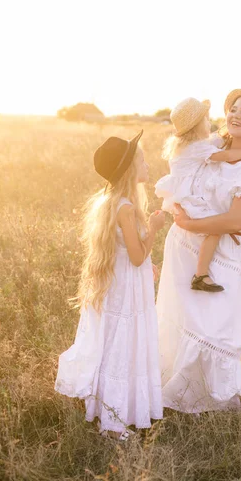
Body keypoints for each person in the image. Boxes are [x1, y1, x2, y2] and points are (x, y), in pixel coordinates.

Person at [156, 89, 241, 413]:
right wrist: (184, 224)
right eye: (233, 109)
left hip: (224, 254)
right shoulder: (211, 147)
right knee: (180, 318)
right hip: (183, 248)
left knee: (215, 327)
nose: (235, 115)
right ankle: (173, 389)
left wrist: (189, 224)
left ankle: (214, 398)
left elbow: (236, 219)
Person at [55, 131, 166, 440]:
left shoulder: (113, 201)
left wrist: (149, 267)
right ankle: (114, 424)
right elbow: (135, 256)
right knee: (123, 344)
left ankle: (113, 407)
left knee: (115, 341)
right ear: (131, 169)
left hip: (120, 284)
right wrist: (155, 229)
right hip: (126, 291)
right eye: (142, 159)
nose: (147, 163)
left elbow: (125, 254)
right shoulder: (127, 208)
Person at [155, 97, 241, 292]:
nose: (211, 124)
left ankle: (201, 273)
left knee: (212, 228)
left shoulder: (189, 143)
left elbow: (220, 139)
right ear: (198, 126)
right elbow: (227, 155)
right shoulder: (198, 148)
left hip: (182, 194)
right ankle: (201, 274)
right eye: (206, 121)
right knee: (214, 228)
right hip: (187, 197)